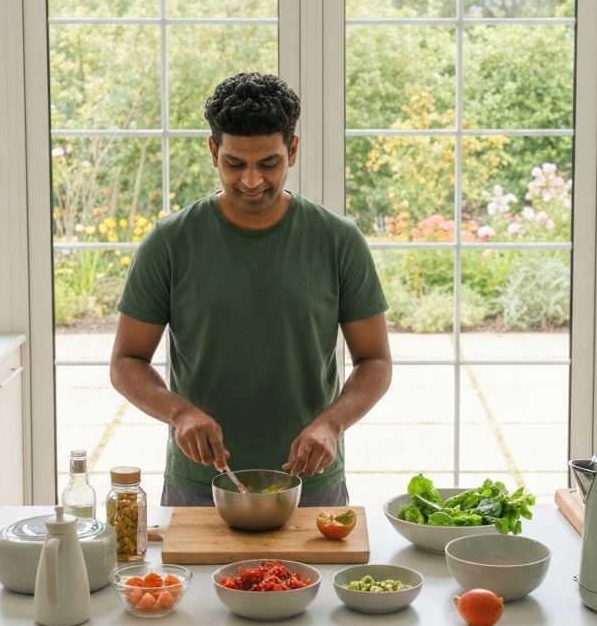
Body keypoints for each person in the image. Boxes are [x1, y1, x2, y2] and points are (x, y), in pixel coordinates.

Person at [109, 71, 392, 507]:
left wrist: (331, 425)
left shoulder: (338, 240)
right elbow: (126, 362)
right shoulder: (169, 242)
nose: (252, 181)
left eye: (269, 163)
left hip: (311, 484)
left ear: (292, 151)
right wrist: (179, 413)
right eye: (235, 164)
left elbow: (374, 361)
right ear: (213, 151)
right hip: (199, 483)